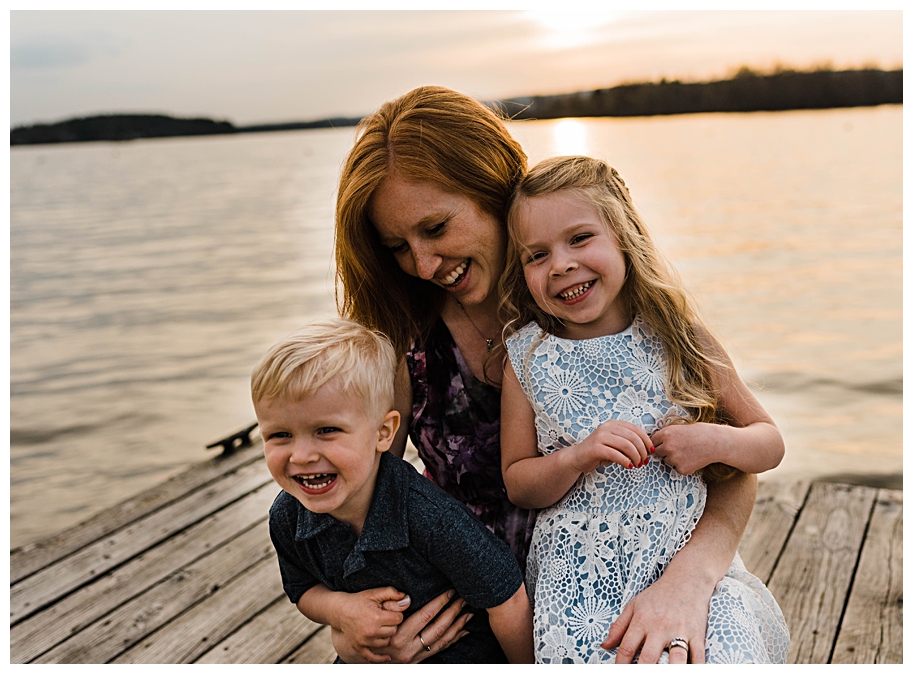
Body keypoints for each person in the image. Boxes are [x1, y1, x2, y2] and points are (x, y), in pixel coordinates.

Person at [334, 85, 765, 664]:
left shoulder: (608, 314)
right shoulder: (405, 345)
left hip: (636, 584)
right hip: (469, 610)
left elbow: (734, 464)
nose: (425, 265)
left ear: (493, 191)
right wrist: (348, 615)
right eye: (398, 247)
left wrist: (689, 582)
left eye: (436, 228)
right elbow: (359, 491)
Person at [498, 155, 789, 663]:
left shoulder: (680, 335)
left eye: (580, 238)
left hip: (683, 555)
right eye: (536, 255)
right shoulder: (527, 358)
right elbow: (518, 480)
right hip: (580, 577)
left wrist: (715, 441)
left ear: (624, 235)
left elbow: (769, 442)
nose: (561, 264)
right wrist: (576, 456)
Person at [252, 317, 534, 664]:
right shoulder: (288, 515)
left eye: (326, 430)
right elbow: (302, 589)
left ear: (383, 433)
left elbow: (508, 598)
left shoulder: (429, 516)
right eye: (280, 435)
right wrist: (341, 610)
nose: (302, 456)